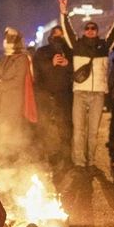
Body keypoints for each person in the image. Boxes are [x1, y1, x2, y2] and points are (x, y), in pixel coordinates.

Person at [59, 0, 114, 181]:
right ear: (84, 31)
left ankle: (90, 163)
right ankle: (79, 164)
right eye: (87, 28)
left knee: (93, 132)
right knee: (79, 130)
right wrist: (64, 13)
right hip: (80, 92)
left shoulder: (104, 46)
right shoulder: (76, 45)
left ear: (97, 32)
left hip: (98, 93)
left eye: (93, 28)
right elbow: (67, 30)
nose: (90, 30)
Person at [0, 28, 36, 150]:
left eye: (7, 39)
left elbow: (19, 80)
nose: (5, 42)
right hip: (3, 99)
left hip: (14, 101)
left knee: (12, 130)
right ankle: (2, 154)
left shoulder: (22, 58)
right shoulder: (7, 57)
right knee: (1, 127)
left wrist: (0, 85)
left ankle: (12, 155)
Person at [32, 26, 73, 162]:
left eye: (61, 35)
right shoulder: (42, 51)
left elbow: (77, 72)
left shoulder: (70, 51)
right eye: (56, 35)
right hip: (45, 95)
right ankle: (41, 156)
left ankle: (65, 157)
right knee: (43, 126)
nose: (59, 38)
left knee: (64, 127)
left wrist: (67, 64)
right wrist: (51, 63)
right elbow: (36, 71)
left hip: (64, 96)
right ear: (51, 37)